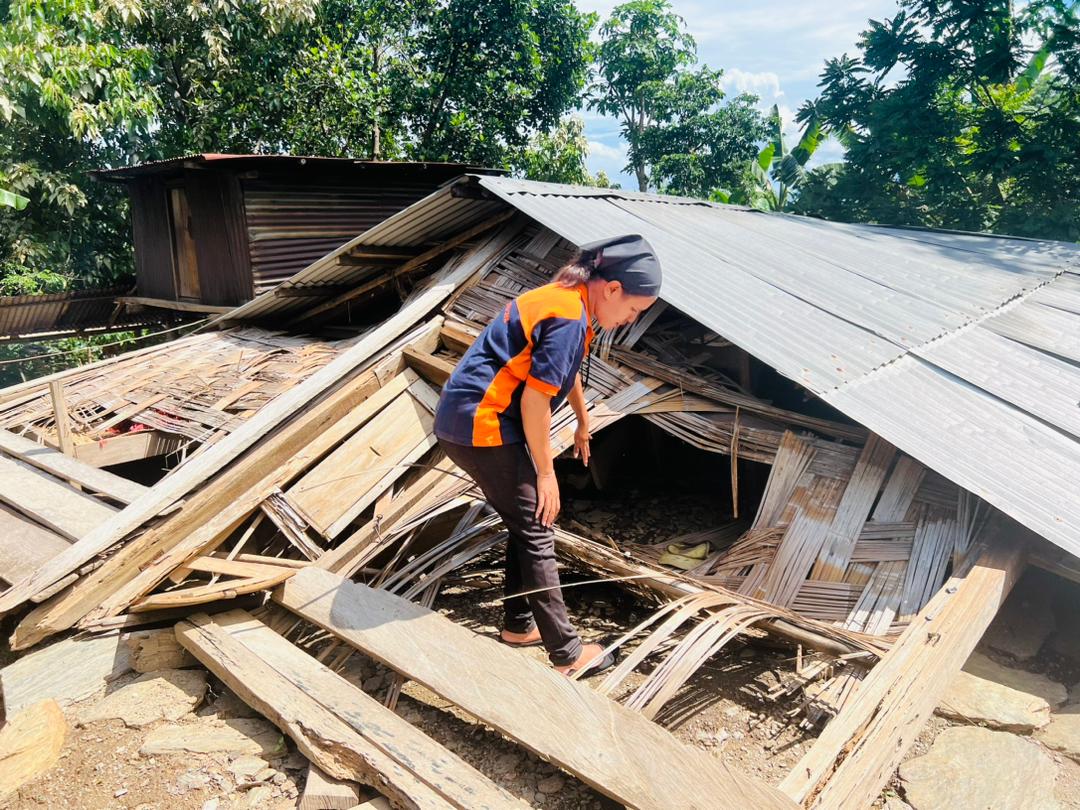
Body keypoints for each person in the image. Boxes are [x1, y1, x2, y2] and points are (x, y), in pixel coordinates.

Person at [434, 233, 662, 675]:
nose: (629, 320)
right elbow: (535, 400)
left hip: (466, 421)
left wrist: (582, 421)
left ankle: (519, 625)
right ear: (613, 289)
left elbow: (564, 369)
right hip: (481, 425)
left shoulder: (566, 300)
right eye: (634, 310)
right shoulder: (569, 316)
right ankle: (568, 655)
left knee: (527, 521)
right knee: (538, 525)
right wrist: (544, 473)